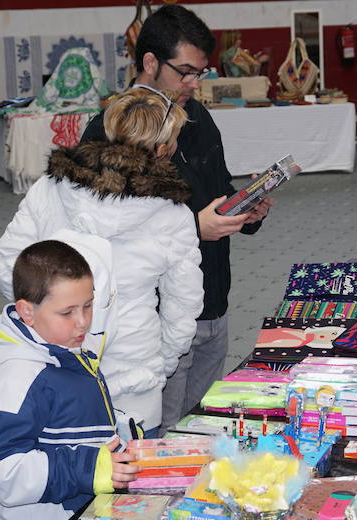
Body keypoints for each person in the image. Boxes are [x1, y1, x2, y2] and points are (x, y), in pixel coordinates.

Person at [80, 4, 272, 434]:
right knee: (159, 444)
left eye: (200, 73)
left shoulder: (199, 118)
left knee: (200, 432)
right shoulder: (107, 132)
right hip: (156, 323)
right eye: (185, 71)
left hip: (212, 304)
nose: (193, 84)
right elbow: (106, 238)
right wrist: (194, 228)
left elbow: (217, 192)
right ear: (150, 62)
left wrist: (247, 209)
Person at [0, 88, 204, 439]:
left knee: (66, 476)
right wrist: (157, 363)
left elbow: (8, 269)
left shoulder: (50, 188)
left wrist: (49, 324)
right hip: (134, 379)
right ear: (164, 148)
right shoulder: (173, 213)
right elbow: (183, 307)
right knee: (133, 487)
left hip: (54, 367)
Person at [0, 240, 139, 520]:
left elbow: (70, 420)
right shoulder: (15, 377)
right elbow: (0, 471)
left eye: (88, 306)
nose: (82, 323)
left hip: (82, 519)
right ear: (27, 310)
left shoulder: (59, 344)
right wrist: (88, 468)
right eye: (68, 312)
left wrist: (120, 432)